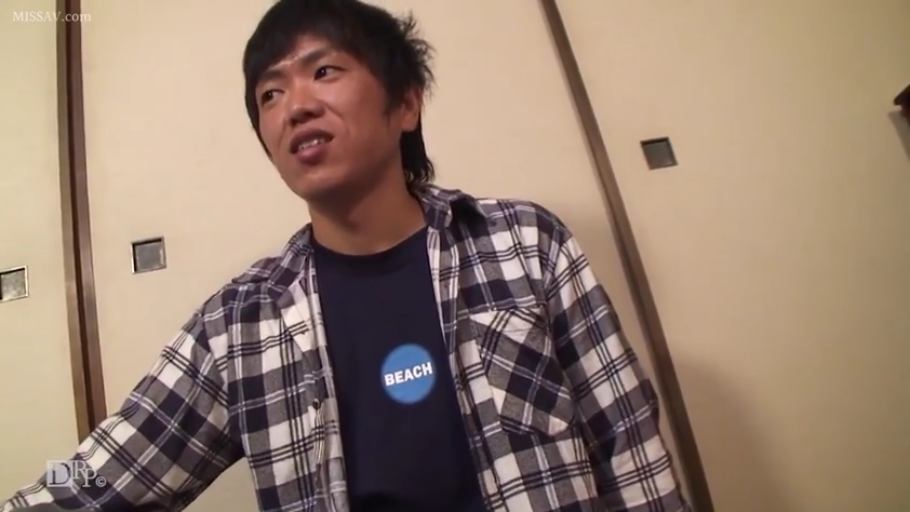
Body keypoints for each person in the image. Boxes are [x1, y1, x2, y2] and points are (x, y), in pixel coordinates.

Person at [3, 1, 691, 511]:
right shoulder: (239, 325)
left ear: (406, 104)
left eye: (324, 71)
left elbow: (630, 449)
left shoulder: (524, 245)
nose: (294, 106)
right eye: (270, 93)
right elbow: (94, 477)